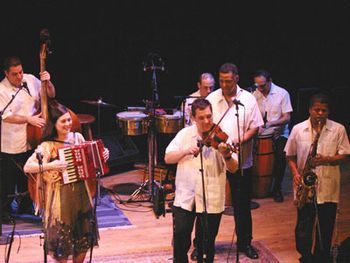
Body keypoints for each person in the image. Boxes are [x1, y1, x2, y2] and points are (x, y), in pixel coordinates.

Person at [23, 99, 109, 263]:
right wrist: (50, 165)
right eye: (63, 121)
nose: (68, 124)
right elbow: (28, 167)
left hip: (82, 195)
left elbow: (92, 160)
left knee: (83, 241)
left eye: (69, 119)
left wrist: (103, 155)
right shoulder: (48, 145)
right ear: (54, 124)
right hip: (61, 199)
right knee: (62, 245)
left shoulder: (77, 137)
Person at [165, 98, 238, 263]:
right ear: (193, 118)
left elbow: (234, 167)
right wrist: (184, 151)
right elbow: (168, 157)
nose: (207, 121)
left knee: (207, 244)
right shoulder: (184, 134)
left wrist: (226, 155)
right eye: (202, 118)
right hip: (186, 196)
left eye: (209, 116)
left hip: (211, 197)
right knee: (181, 237)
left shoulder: (222, 136)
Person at [206, 63, 264, 259]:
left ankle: (244, 244)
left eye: (228, 81)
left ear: (237, 79)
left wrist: (239, 140)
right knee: (210, 203)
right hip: (214, 159)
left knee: (242, 204)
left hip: (240, 158)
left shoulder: (248, 99)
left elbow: (255, 127)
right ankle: (204, 244)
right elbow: (202, 125)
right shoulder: (212, 98)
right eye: (221, 81)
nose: (224, 85)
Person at [284, 93, 350, 263]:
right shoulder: (298, 129)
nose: (320, 113)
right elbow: (289, 155)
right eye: (317, 110)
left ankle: (321, 257)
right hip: (305, 186)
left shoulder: (338, 129)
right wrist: (296, 174)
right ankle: (305, 256)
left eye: (324, 110)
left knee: (325, 226)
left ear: (328, 112)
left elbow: (344, 155)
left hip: (328, 187)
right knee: (304, 226)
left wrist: (326, 159)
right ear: (310, 110)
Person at [0, 56, 56, 223]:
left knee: (27, 177)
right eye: (15, 74)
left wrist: (48, 82)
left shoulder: (30, 79)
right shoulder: (1, 90)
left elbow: (50, 95)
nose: (19, 77)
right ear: (6, 74)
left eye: (21, 72)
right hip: (11, 141)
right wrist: (28, 119)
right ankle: (4, 211)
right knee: (8, 182)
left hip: (32, 137)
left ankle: (26, 205)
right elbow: (6, 116)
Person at [252, 69, 293, 202]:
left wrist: (271, 124)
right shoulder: (255, 94)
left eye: (262, 85)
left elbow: (287, 117)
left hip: (279, 133)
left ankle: (277, 189)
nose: (260, 88)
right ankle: (256, 187)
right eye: (257, 85)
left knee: (280, 159)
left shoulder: (282, 94)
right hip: (260, 133)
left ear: (270, 81)